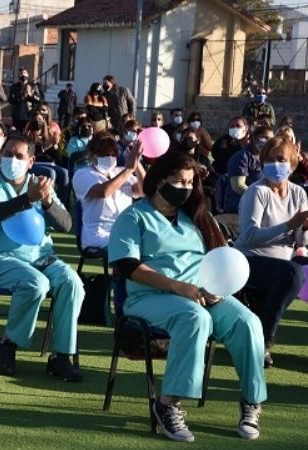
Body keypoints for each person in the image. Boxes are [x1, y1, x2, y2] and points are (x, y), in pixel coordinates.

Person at [108, 151, 266, 443]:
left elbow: (220, 260)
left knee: (247, 322)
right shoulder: (133, 216)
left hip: (201, 295)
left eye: (191, 183)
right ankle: (167, 404)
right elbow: (127, 266)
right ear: (159, 181)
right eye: (179, 181)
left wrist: (218, 289)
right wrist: (177, 287)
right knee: (194, 318)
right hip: (149, 298)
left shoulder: (197, 217)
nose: (186, 188)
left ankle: (251, 401)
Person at [0, 135, 84, 379]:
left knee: (72, 283)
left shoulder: (40, 184)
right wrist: (27, 199)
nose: (12, 159)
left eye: (19, 156)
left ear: (31, 161)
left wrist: (47, 202)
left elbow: (66, 225)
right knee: (36, 283)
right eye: (7, 154)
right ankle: (8, 343)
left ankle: (61, 356)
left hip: (40, 257)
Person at [234, 137, 306, 368]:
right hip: (249, 260)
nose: (275, 164)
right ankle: (264, 340)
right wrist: (289, 225)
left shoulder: (299, 194)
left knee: (295, 271)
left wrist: (303, 229)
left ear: (292, 164)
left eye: (281, 159)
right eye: (270, 159)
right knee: (292, 273)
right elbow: (248, 236)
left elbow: (299, 241)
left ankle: (259, 323)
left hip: (281, 263)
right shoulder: (257, 192)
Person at [72, 131, 144, 250]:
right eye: (105, 154)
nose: (110, 157)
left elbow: (144, 191)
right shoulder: (82, 174)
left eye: (114, 153)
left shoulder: (120, 172)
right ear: (92, 154)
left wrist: (136, 163)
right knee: (126, 248)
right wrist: (129, 170)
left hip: (125, 229)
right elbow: (104, 192)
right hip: (98, 234)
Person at [225, 125, 272, 213]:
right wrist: (260, 198)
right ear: (254, 138)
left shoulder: (267, 158)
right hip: (240, 208)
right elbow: (238, 186)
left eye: (270, 139)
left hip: (262, 208)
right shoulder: (242, 157)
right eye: (264, 138)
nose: (267, 142)